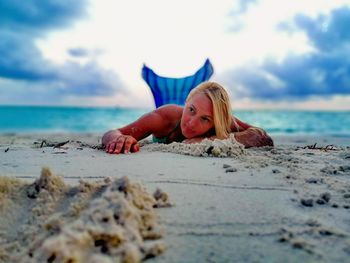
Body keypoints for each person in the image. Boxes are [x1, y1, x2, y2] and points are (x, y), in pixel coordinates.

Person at [102, 81, 273, 154]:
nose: (191, 122)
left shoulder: (222, 122)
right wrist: (119, 139)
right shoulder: (165, 117)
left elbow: (262, 137)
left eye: (205, 119)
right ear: (186, 101)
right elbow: (112, 133)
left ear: (216, 121)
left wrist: (214, 138)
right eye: (191, 109)